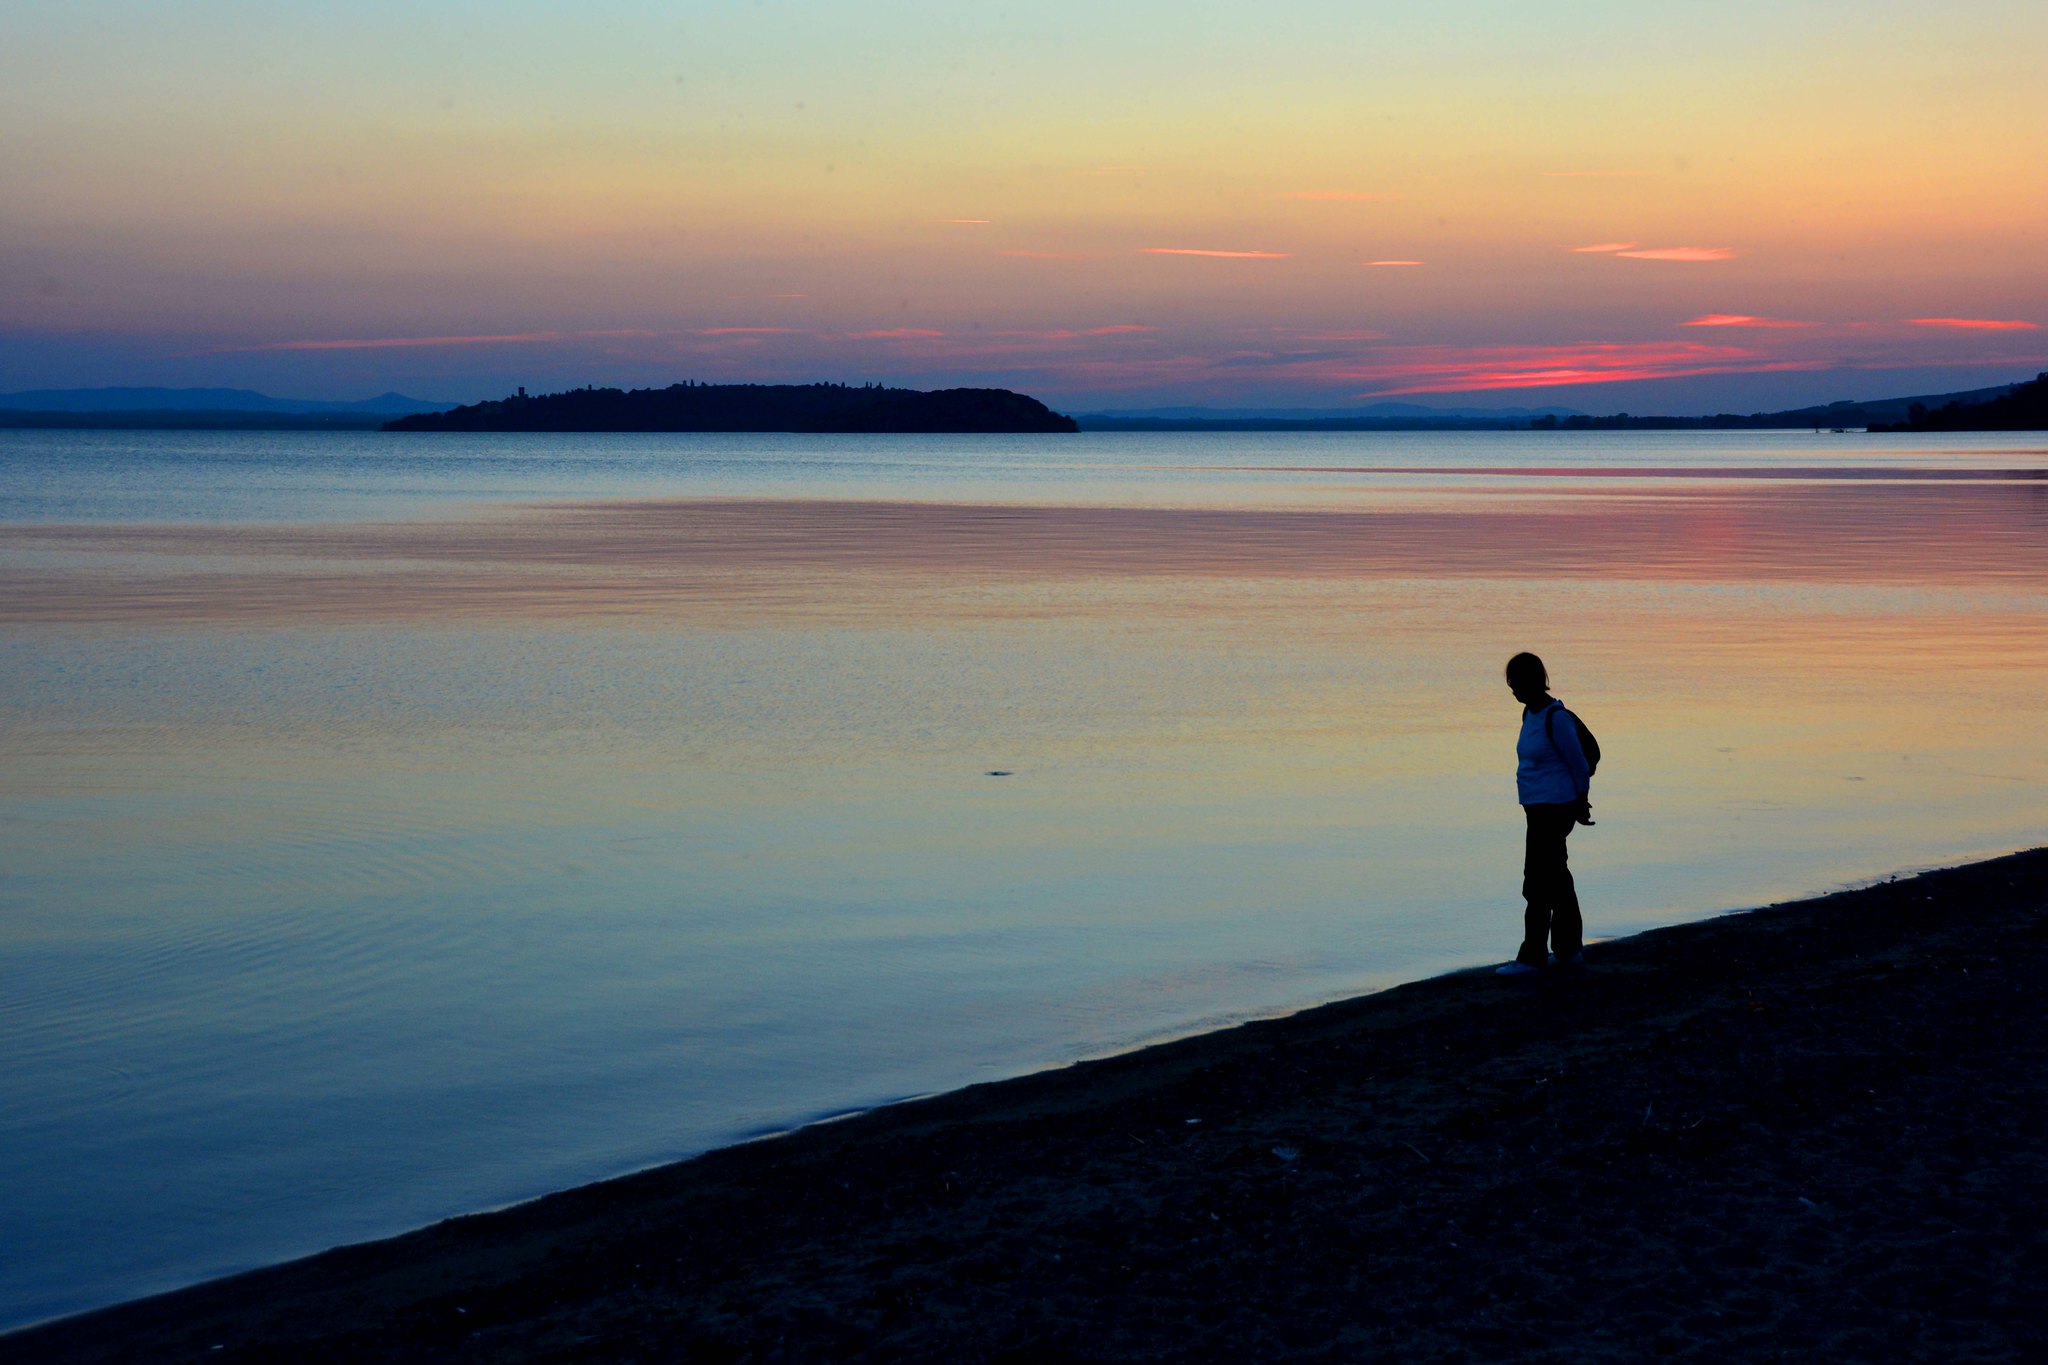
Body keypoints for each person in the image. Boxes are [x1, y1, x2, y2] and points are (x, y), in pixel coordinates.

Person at [1496, 652, 1592, 976]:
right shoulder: (1530, 715)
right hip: (1537, 810)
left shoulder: (1556, 718)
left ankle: (1532, 956)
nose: (1513, 691)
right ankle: (1568, 951)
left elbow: (1579, 763)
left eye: (1517, 684)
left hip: (1554, 810)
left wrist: (1581, 802)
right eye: (1511, 685)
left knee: (1537, 883)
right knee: (1556, 879)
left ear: (1534, 681)